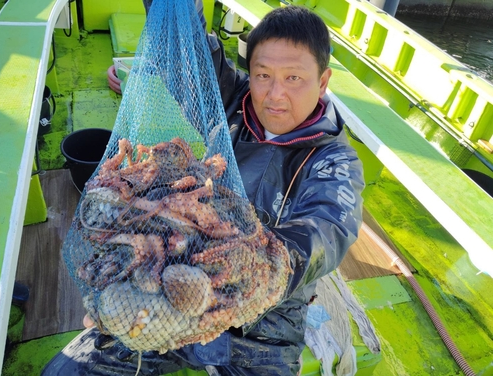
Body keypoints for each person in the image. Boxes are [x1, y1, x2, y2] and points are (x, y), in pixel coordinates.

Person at [43, 2, 365, 375]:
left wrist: (265, 264)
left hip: (262, 324)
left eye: (294, 78)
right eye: (263, 75)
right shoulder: (235, 102)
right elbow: (190, 56)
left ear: (322, 81)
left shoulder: (335, 162)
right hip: (171, 291)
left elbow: (327, 230)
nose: (275, 95)